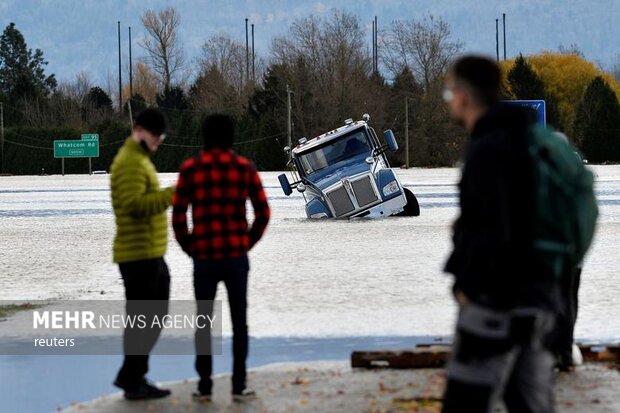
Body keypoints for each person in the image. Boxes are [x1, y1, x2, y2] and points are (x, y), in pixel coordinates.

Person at [441, 55, 559, 413]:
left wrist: (467, 287)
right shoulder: (528, 142)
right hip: (540, 298)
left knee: (465, 404)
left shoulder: (488, 149)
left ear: (463, 95)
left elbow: (494, 229)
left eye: (449, 92)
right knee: (532, 405)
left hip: (495, 303)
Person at [172, 114, 271, 402]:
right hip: (235, 258)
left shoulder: (191, 169)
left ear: (204, 136)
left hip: (204, 258)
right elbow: (263, 213)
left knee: (204, 321)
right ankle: (239, 385)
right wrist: (245, 244)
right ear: (231, 137)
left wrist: (191, 248)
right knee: (240, 322)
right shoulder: (244, 168)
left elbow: (178, 217)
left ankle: (204, 386)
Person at [110, 108, 174, 400]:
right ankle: (132, 379)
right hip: (138, 255)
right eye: (155, 135)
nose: (158, 141)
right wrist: (174, 193)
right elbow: (135, 205)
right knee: (143, 317)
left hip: (148, 252)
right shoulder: (131, 163)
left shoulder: (139, 160)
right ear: (139, 130)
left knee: (151, 316)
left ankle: (135, 375)